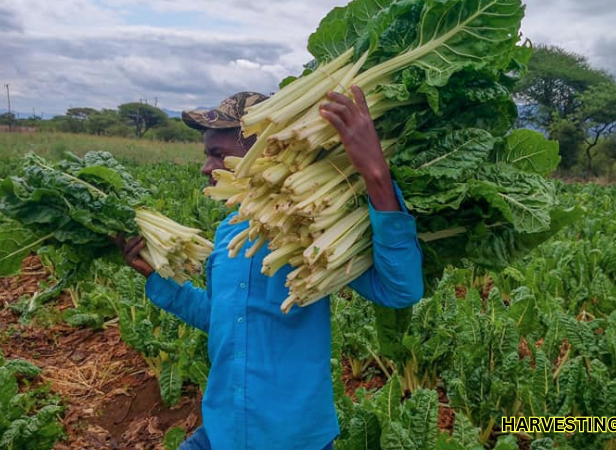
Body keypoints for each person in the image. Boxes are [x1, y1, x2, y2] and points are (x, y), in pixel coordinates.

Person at [117, 87, 424, 450]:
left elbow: (400, 289)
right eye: (206, 155)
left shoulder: (313, 226)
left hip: (291, 438)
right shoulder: (228, 229)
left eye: (218, 155)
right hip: (222, 430)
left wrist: (375, 174)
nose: (206, 167)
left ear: (265, 153)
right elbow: (220, 317)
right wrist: (156, 277)